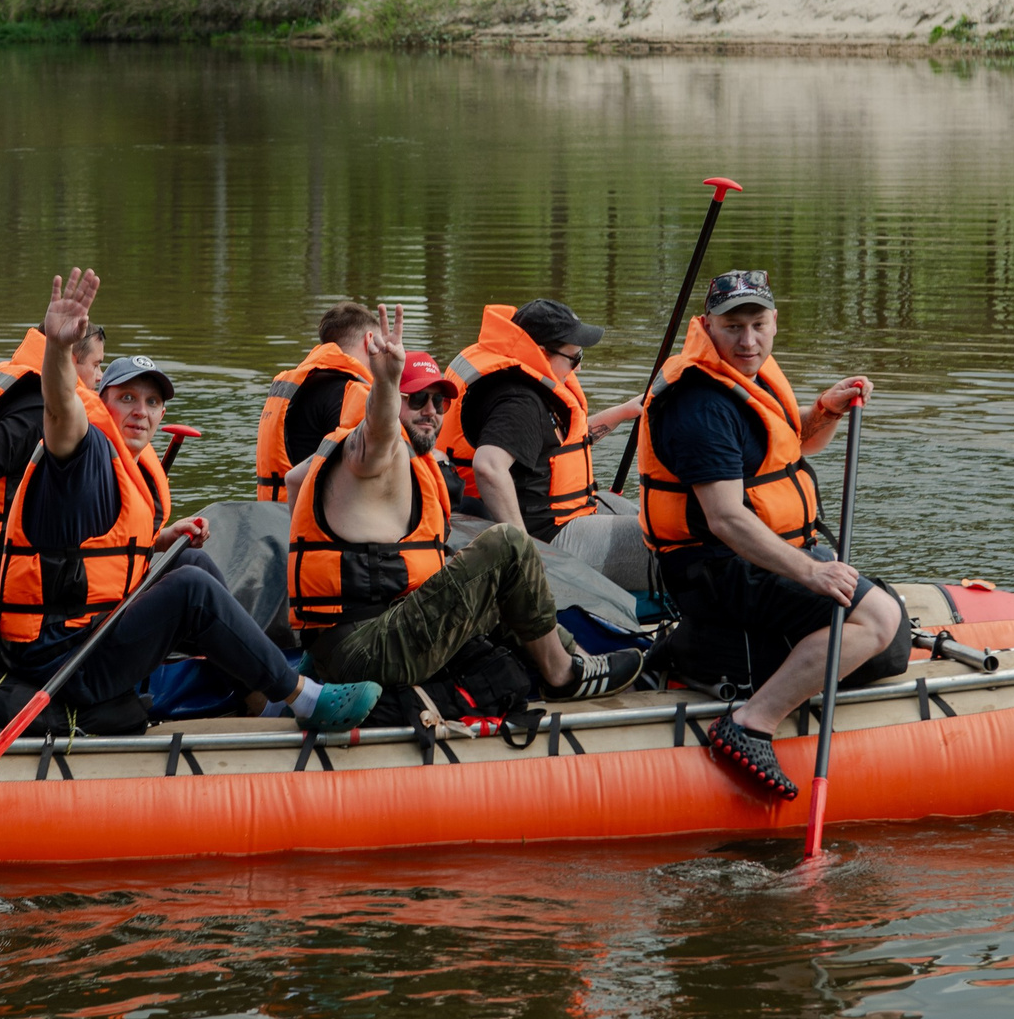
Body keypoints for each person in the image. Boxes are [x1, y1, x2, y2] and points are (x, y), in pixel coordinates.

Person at [0, 269, 381, 732]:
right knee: (189, 589)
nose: (141, 411)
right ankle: (304, 698)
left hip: (90, 633)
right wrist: (58, 349)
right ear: (101, 400)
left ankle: (260, 690)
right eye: (127, 397)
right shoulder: (80, 447)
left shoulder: (129, 464)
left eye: (152, 402)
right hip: (59, 661)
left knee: (187, 562)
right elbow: (59, 406)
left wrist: (159, 540)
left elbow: (93, 553)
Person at [635, 269, 907, 800]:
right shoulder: (700, 405)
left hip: (752, 556)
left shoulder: (748, 375)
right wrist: (811, 571)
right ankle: (751, 723)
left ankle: (714, 656)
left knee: (886, 632)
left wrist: (825, 410)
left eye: (758, 324)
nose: (748, 340)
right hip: (716, 568)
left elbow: (790, 446)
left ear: (775, 321)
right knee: (878, 619)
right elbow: (726, 518)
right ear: (707, 326)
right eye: (733, 327)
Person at [289, 307, 647, 701]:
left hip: (358, 635)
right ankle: (562, 675)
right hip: (366, 647)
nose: (430, 411)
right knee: (507, 544)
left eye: (439, 402)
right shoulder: (372, 452)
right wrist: (386, 383)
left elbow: (294, 480)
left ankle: (578, 658)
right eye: (416, 400)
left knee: (493, 584)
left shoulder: (355, 453)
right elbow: (377, 433)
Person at [438, 299, 641, 540]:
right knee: (656, 537)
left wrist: (624, 412)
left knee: (640, 515)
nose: (578, 369)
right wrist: (522, 545)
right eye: (575, 358)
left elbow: (557, 444)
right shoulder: (519, 402)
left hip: (567, 514)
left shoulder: (527, 384)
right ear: (542, 353)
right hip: (548, 534)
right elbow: (488, 466)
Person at [0, 323, 108, 610]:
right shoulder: (38, 407)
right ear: (69, 359)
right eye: (96, 364)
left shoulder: (8, 375)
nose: (100, 376)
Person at [252, 302, 377, 501]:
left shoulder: (299, 385)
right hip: (308, 516)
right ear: (369, 340)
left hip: (272, 510)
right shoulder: (350, 392)